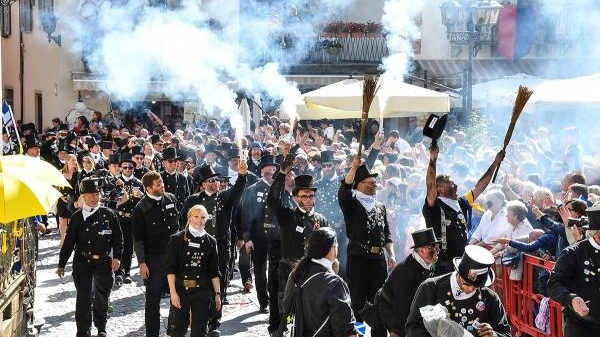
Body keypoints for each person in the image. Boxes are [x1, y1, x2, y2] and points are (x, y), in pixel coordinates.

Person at [179, 161, 247, 335]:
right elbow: (182, 223)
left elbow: (238, 190)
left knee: (220, 283)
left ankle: (215, 322)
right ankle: (198, 315)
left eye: (217, 179)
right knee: (200, 283)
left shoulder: (225, 197)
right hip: (198, 248)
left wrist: (241, 175)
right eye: (211, 180)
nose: (215, 183)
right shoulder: (193, 200)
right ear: (202, 184)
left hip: (221, 247)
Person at [268, 154, 329, 336]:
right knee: (287, 311)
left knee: (311, 311)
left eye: (311, 196)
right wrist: (281, 175)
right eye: (304, 196)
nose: (309, 200)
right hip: (290, 270)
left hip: (314, 271)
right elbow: (272, 200)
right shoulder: (287, 215)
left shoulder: (321, 219)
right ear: (296, 198)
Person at [56, 178, 123, 337]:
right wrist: (61, 263)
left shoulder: (109, 214)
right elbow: (69, 242)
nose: (95, 198)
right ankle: (83, 331)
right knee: (84, 298)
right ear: (83, 197)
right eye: (91, 195)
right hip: (83, 261)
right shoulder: (77, 217)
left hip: (103, 261)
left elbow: (118, 239)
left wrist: (117, 257)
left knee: (102, 296)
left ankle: (101, 327)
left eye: (97, 194)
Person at [424, 145, 504, 275]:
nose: (455, 185)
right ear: (439, 188)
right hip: (443, 267)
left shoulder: (461, 202)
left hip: (462, 265)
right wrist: (433, 158)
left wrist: (495, 163)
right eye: (450, 182)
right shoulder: (434, 205)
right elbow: (430, 184)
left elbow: (480, 187)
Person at [339, 156, 395, 337]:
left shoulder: (380, 206)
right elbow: (344, 189)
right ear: (359, 185)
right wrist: (353, 169)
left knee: (379, 301)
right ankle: (360, 334)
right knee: (358, 303)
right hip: (358, 258)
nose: (374, 185)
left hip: (378, 261)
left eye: (374, 182)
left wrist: (391, 254)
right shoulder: (352, 203)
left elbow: (386, 233)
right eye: (370, 182)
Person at [405, 245, 511, 337]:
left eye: (476, 286)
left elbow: (505, 333)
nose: (470, 289)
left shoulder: (490, 298)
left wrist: (494, 335)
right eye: (466, 283)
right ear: (458, 272)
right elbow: (414, 326)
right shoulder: (431, 288)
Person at [281, 227, 358, 337]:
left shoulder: (296, 274)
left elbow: (287, 308)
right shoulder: (335, 283)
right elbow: (346, 330)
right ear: (332, 249)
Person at [132, 171, 180, 337]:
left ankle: (173, 330)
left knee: (178, 295)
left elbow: (178, 227)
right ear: (148, 189)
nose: (162, 186)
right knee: (153, 300)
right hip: (153, 260)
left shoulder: (171, 199)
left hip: (174, 257)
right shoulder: (140, 208)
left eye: (162, 183)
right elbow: (138, 239)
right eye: (158, 185)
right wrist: (142, 263)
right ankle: (152, 333)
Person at [371, 228, 441, 337]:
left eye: (437, 247)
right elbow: (401, 306)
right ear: (422, 250)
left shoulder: (427, 264)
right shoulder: (405, 271)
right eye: (433, 248)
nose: (438, 250)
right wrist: (398, 332)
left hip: (408, 308)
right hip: (389, 308)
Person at [166, 205, 221, 337]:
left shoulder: (211, 242)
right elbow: (170, 269)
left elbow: (214, 271)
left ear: (207, 219)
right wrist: (173, 293)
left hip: (202, 290)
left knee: (199, 331)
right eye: (196, 216)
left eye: (203, 217)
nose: (199, 220)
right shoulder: (176, 239)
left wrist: (217, 294)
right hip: (180, 289)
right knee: (178, 330)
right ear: (190, 218)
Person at [547, 204, 600, 336]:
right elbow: (554, 284)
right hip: (582, 327)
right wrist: (571, 298)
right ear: (598, 233)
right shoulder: (573, 253)